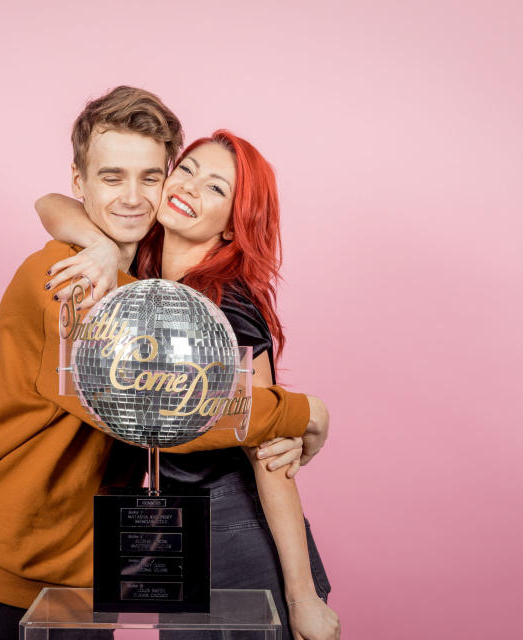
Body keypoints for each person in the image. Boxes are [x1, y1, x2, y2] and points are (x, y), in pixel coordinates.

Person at [0, 87, 329, 640]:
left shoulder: (144, 289)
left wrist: (100, 244)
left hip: (91, 582)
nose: (134, 198)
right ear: (80, 182)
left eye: (151, 177)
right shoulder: (69, 281)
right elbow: (157, 409)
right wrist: (306, 413)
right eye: (111, 177)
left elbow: (60, 207)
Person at [37, 130, 341, 640]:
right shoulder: (141, 276)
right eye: (187, 170)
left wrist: (301, 596)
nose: (191, 187)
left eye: (216, 188)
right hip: (168, 527)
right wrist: (104, 247)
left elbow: (268, 455)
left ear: (231, 227)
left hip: (233, 529)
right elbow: (48, 204)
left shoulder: (227, 306)